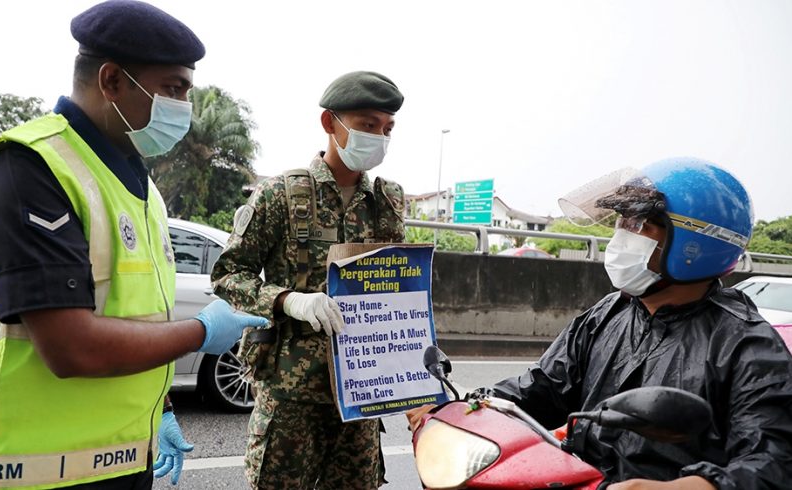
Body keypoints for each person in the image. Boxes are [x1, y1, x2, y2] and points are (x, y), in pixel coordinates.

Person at [0, 1, 267, 489]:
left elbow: (133, 315)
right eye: (173, 88)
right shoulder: (29, 168)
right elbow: (71, 347)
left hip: (122, 461)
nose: (184, 108)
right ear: (111, 80)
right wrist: (200, 332)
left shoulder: (136, 183)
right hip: (27, 470)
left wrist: (163, 404)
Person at [410, 158, 792, 489]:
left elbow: (773, 460)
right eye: (622, 221)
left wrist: (700, 486)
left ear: (697, 242)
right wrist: (459, 406)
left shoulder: (746, 345)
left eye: (641, 223)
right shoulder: (608, 314)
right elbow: (541, 389)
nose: (623, 235)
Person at [211, 71, 407, 489]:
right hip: (289, 396)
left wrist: (413, 373)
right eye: (367, 125)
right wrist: (287, 301)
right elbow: (229, 275)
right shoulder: (280, 194)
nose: (380, 137)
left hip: (362, 398)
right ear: (329, 123)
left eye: (388, 128)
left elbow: (400, 296)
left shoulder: (387, 206)